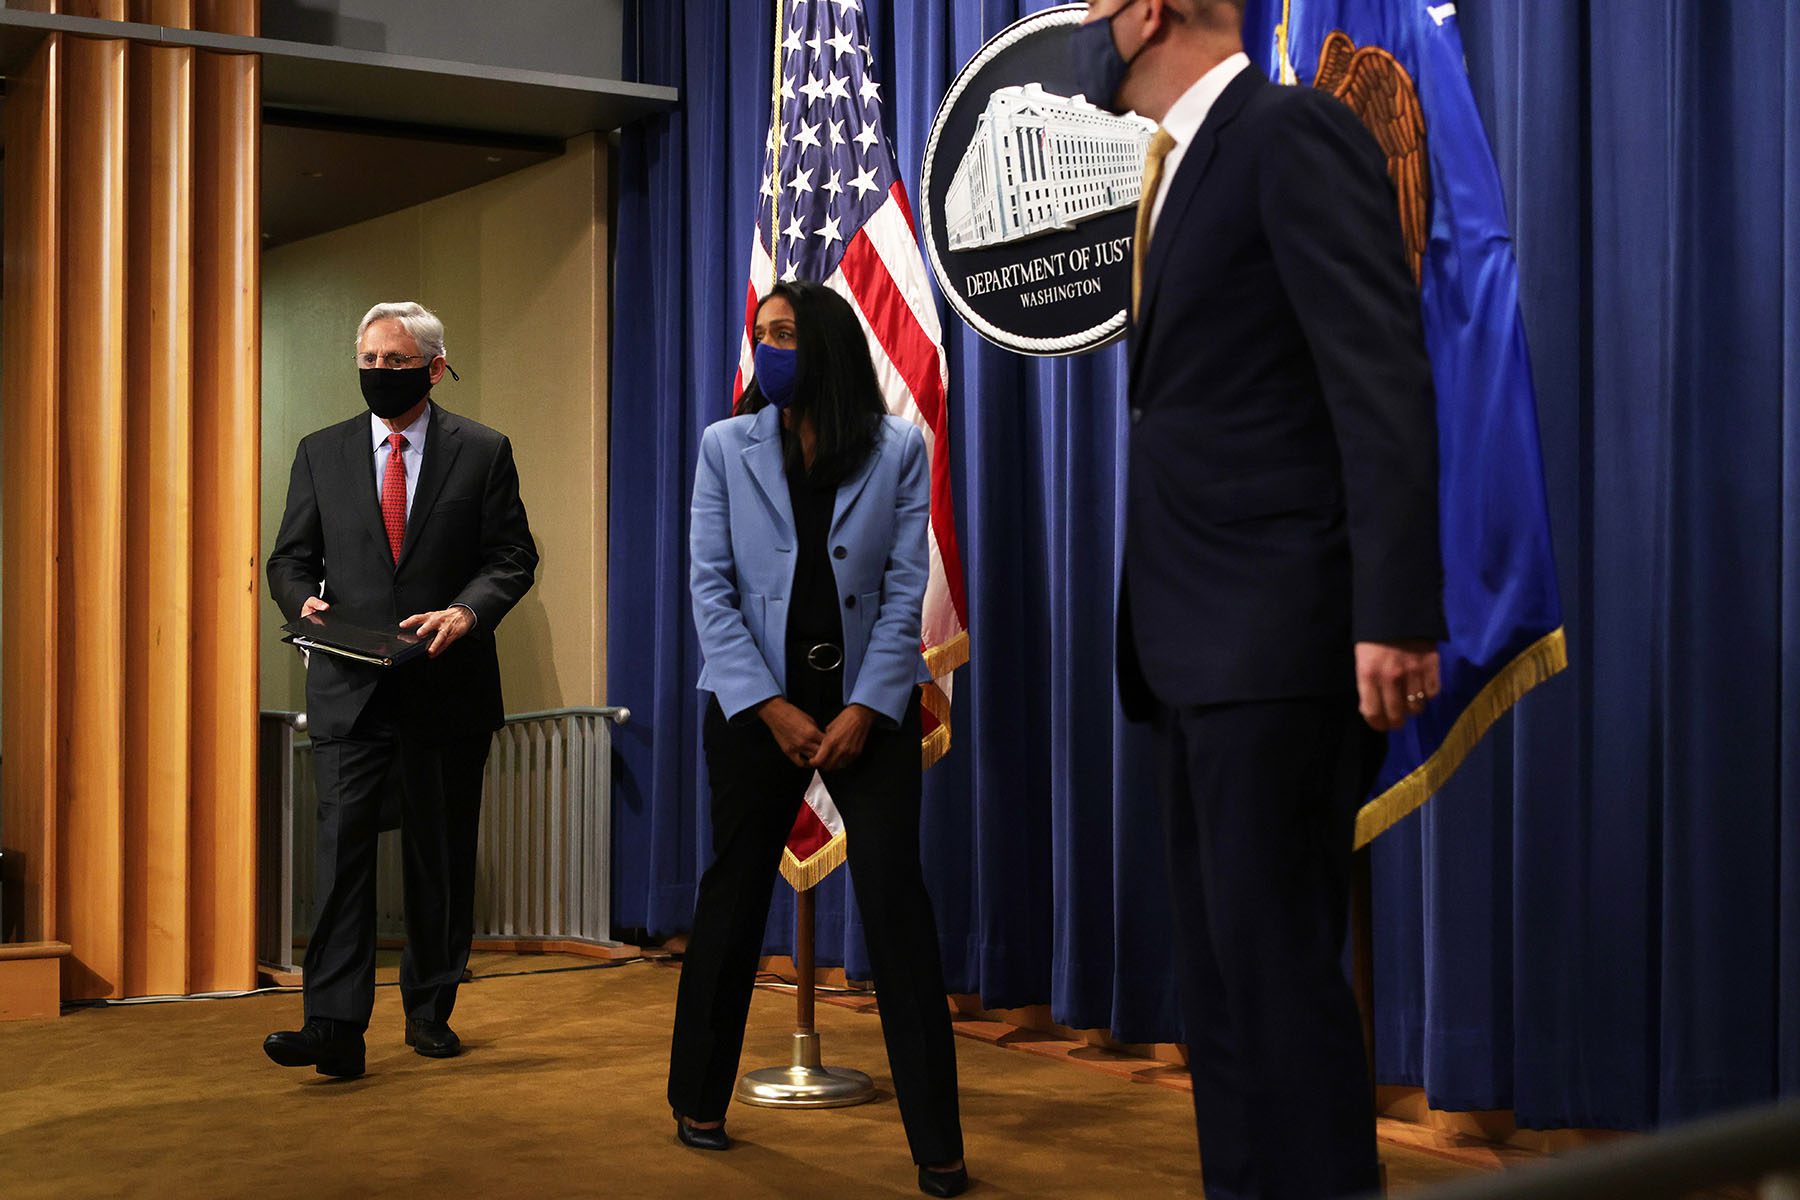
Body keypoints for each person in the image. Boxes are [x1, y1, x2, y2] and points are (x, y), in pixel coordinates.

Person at [1078, 0, 1446, 1195]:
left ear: (1149, 11)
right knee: (1224, 986)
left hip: (1275, 644)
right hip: (1194, 644)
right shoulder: (1180, 166)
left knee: (1278, 983)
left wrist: (1393, 610)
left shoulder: (1287, 132)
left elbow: (1379, 367)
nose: (1083, 21)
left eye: (1094, 1)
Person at [668, 281, 968, 1198]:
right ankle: (699, 1098)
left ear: (828, 346)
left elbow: (906, 585)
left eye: (786, 334)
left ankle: (939, 1146)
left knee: (898, 910)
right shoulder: (727, 446)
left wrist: (865, 709)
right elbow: (710, 590)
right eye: (762, 334)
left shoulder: (898, 448)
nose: (769, 348)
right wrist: (772, 706)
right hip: (757, 711)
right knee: (730, 898)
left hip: (864, 714)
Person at [264, 301, 538, 1078]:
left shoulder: (482, 451)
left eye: (395, 361)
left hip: (445, 689)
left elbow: (512, 557)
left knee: (438, 859)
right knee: (341, 857)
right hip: (350, 691)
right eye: (370, 361)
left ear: (434, 366)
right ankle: (334, 1027)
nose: (379, 373)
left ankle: (430, 1008)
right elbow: (288, 559)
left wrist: (466, 611)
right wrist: (302, 603)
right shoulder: (321, 452)